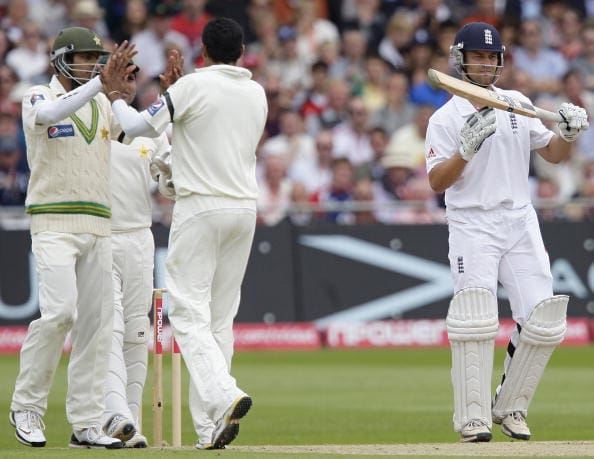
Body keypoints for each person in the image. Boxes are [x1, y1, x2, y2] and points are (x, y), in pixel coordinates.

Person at [104, 17, 268, 449]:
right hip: (244, 210)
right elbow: (202, 137)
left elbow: (137, 128)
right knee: (219, 318)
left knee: (188, 313)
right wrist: (176, 100)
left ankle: (224, 394)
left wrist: (118, 98)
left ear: (203, 51)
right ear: (243, 51)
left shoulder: (192, 87)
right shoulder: (256, 92)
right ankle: (211, 426)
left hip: (201, 207)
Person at [425, 22, 589, 443]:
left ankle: (511, 405)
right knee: (475, 319)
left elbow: (553, 153)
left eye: (490, 57)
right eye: (476, 57)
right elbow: (437, 182)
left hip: (519, 218)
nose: (484, 64)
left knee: (543, 319)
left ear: (499, 61)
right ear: (460, 60)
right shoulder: (445, 117)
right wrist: (465, 151)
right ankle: (473, 419)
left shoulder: (517, 103)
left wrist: (566, 133)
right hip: (472, 221)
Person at [9, 26, 134, 448]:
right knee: (60, 313)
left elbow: (139, 130)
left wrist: (169, 102)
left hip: (99, 225)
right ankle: (26, 406)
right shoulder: (36, 96)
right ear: (63, 59)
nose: (94, 66)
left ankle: (86, 423)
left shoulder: (100, 100)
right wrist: (102, 82)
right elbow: (49, 117)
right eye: (86, 58)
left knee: (97, 328)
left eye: (97, 60)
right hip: (53, 223)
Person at [99, 56, 173, 448]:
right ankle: (114, 415)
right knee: (107, 330)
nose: (126, 86)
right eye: (119, 78)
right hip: (99, 236)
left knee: (136, 332)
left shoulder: (148, 129)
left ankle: (129, 421)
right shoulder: (91, 119)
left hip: (139, 238)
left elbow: (169, 184)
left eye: (131, 80)